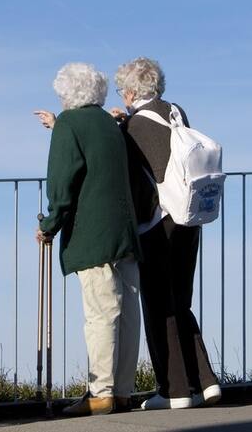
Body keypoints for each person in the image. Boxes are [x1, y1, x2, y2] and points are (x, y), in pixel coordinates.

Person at [111, 57, 222, 410]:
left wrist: (121, 126)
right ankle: (205, 382)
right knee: (181, 302)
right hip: (190, 217)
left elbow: (138, 174)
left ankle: (174, 391)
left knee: (160, 306)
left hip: (158, 223)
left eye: (122, 89)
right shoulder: (176, 112)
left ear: (131, 91)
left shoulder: (133, 127)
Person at [34, 62, 142, 416]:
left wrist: (50, 224)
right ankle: (122, 391)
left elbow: (62, 182)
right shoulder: (108, 123)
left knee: (100, 314)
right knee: (127, 313)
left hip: (93, 233)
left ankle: (100, 392)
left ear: (67, 94)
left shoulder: (70, 123)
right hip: (124, 230)